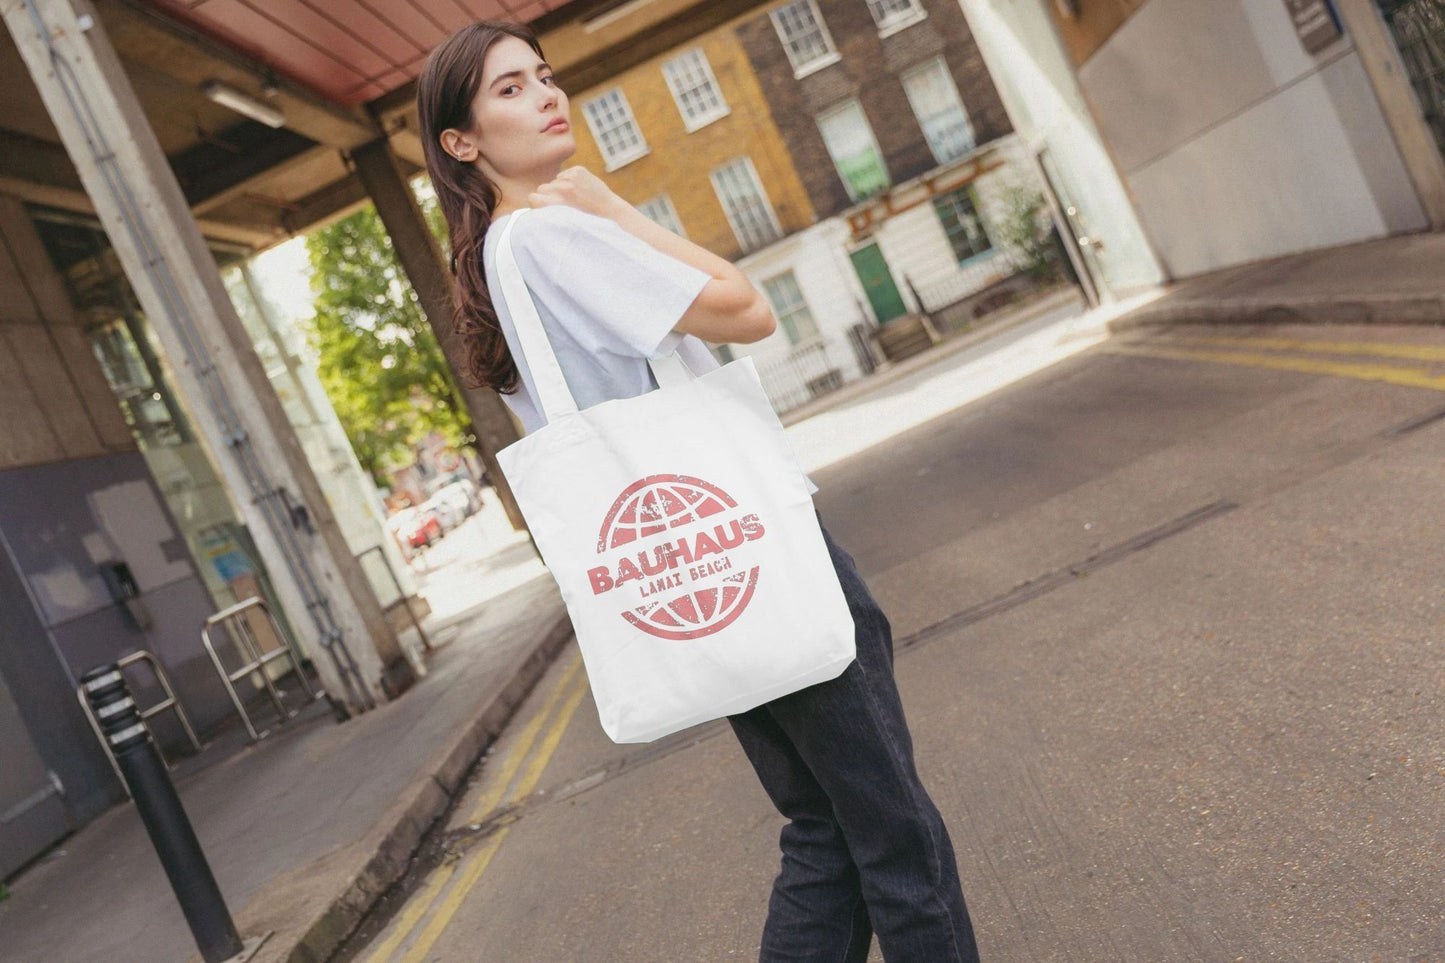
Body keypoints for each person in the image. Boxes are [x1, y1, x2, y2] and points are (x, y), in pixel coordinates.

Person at [416, 21, 982, 962]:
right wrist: (619, 212)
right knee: (894, 835)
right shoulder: (556, 234)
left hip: (694, 576)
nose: (547, 94)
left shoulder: (495, 262)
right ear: (461, 142)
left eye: (545, 76)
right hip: (753, 551)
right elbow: (747, 310)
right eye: (510, 88)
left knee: (825, 832)